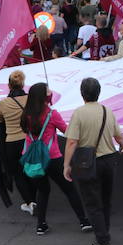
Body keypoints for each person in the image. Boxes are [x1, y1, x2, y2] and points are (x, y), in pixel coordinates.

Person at [63, 76, 123, 245]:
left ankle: (103, 242)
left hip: (88, 162)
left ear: (82, 93)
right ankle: (104, 231)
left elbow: (71, 142)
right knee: (105, 200)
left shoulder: (79, 113)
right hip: (109, 160)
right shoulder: (107, 111)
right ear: (98, 92)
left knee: (92, 202)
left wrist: (66, 165)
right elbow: (119, 136)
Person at [21, 82, 90, 236]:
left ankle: (41, 224)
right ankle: (84, 221)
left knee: (43, 190)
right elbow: (67, 131)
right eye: (48, 91)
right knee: (69, 189)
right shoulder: (52, 114)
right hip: (52, 158)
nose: (51, 92)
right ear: (45, 96)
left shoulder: (26, 114)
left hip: (34, 159)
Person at [0, 70, 36, 215]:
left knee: (17, 173)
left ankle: (29, 202)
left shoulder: (3, 103)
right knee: (31, 170)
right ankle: (35, 198)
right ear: (23, 83)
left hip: (11, 142)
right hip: (28, 141)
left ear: (8, 85)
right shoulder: (30, 99)